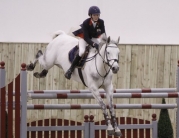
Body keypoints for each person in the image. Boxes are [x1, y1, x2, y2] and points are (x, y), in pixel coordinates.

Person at [65, 6, 106, 79]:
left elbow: (103, 34)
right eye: (94, 15)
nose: (96, 17)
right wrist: (93, 44)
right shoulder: (86, 22)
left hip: (94, 38)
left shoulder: (101, 22)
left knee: (101, 50)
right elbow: (86, 38)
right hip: (84, 38)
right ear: (90, 15)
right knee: (81, 52)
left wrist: (104, 43)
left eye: (97, 15)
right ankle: (70, 70)